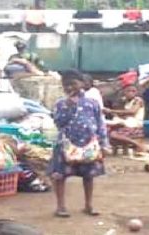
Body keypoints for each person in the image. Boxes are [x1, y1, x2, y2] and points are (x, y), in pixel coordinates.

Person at [48, 70, 110, 218]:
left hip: (88, 145)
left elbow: (100, 124)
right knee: (60, 176)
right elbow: (59, 122)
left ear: (82, 83)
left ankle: (89, 205)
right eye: (66, 85)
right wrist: (68, 107)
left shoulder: (92, 103)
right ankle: (61, 207)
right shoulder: (60, 104)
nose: (69, 87)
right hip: (66, 145)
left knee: (89, 176)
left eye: (73, 84)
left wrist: (104, 143)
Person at [104, 84, 146, 152]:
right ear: (124, 92)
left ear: (137, 92)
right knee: (107, 130)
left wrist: (111, 111)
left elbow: (132, 112)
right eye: (128, 91)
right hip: (127, 123)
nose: (131, 93)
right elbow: (122, 113)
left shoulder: (138, 100)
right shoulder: (125, 101)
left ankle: (136, 143)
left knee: (112, 134)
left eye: (133, 91)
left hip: (135, 125)